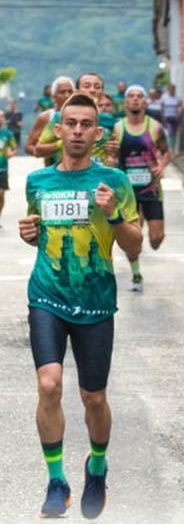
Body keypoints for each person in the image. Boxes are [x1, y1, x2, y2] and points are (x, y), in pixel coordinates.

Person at [18, 93, 142, 519]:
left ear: (97, 132)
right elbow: (37, 231)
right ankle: (56, 481)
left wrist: (113, 216)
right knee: (49, 385)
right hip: (46, 295)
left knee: (94, 398)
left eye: (85, 124)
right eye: (70, 123)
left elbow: (134, 244)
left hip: (96, 301)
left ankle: (97, 467)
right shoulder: (38, 183)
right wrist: (28, 232)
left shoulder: (115, 182)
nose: (77, 131)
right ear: (58, 129)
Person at [113, 84, 171, 292]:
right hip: (127, 191)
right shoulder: (118, 128)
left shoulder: (154, 127)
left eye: (139, 96)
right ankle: (136, 274)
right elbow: (112, 157)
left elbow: (166, 152)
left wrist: (161, 165)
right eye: (131, 96)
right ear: (125, 102)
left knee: (156, 239)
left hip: (151, 188)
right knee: (133, 238)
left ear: (145, 101)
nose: (135, 100)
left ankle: (145, 230)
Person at [26, 76, 74, 164]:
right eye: (62, 92)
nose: (67, 95)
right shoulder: (46, 117)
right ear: (53, 96)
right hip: (53, 170)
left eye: (70, 91)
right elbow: (29, 147)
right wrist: (53, 150)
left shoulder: (83, 115)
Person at [159, 82, 183, 153]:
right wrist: (162, 116)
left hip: (175, 117)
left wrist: (179, 115)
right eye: (171, 89)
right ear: (168, 89)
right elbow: (162, 107)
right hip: (167, 116)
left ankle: (172, 148)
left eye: (173, 89)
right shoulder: (164, 97)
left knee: (174, 133)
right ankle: (169, 148)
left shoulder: (178, 98)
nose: (172, 90)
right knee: (169, 132)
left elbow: (181, 107)